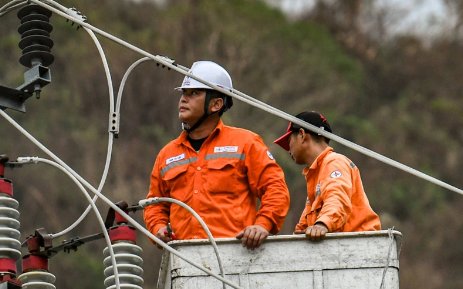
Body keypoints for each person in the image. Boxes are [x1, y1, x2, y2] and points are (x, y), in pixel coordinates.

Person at [146, 61, 290, 250]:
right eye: (184, 93)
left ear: (216, 104)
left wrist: (263, 224)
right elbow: (155, 205)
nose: (183, 99)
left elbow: (275, 189)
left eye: (194, 93)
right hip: (184, 260)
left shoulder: (245, 143)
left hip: (235, 258)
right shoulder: (167, 154)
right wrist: (159, 228)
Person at [273, 111, 381, 241]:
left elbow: (337, 198)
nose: (288, 149)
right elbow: (302, 228)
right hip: (343, 250)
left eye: (289, 141)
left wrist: (322, 224)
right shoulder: (316, 175)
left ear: (302, 135)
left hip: (361, 246)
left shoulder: (334, 162)